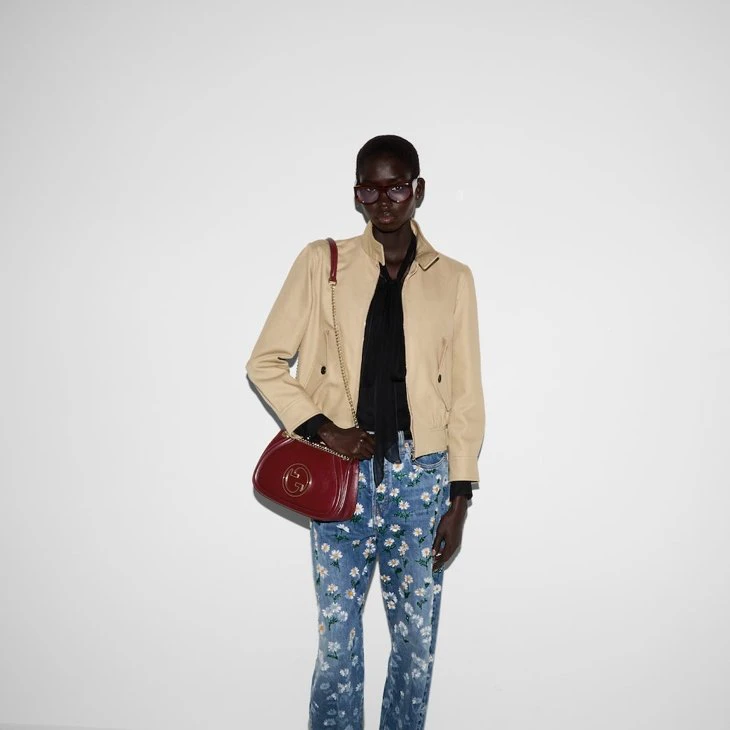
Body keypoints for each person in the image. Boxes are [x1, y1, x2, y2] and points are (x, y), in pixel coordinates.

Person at [246, 134, 485, 729]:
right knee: (337, 646)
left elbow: (465, 395)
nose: (384, 200)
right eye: (370, 189)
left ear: (418, 190)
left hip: (422, 482)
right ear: (356, 195)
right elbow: (265, 362)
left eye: (396, 186)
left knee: (415, 646)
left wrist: (459, 498)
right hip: (343, 481)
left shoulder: (453, 279)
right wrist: (327, 431)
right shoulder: (321, 264)